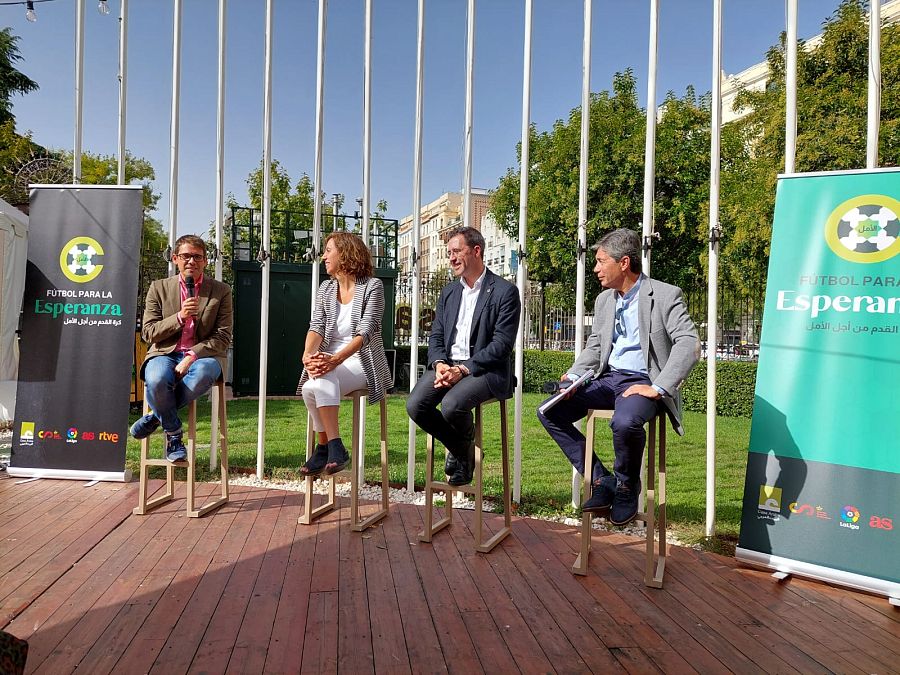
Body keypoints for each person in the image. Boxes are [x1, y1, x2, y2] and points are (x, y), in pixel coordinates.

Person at [538, 228, 699, 525]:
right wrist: (574, 376)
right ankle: (602, 480)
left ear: (624, 263)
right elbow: (596, 345)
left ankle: (627, 486)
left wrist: (659, 387)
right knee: (549, 410)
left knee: (624, 422)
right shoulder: (604, 300)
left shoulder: (665, 295)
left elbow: (689, 343)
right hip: (608, 377)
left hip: (643, 380)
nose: (596, 269)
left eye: (601, 261)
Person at [407, 225, 521, 486]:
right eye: (449, 253)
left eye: (457, 251)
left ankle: (461, 454)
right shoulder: (449, 292)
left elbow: (501, 345)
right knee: (415, 405)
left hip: (484, 370)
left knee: (451, 405)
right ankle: (462, 447)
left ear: (476, 251)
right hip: (448, 365)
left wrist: (464, 369)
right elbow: (436, 336)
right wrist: (438, 364)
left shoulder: (505, 292)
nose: (451, 258)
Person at [296, 232, 392, 477]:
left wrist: (334, 360)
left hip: (363, 360)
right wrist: (308, 355)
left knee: (318, 379)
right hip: (331, 359)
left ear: (346, 253)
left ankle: (327, 446)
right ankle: (330, 447)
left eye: (329, 250)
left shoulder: (373, 286)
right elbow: (316, 325)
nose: (324, 256)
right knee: (310, 387)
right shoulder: (326, 288)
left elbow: (366, 331)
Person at [131, 234, 233, 462]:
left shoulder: (221, 291)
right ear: (175, 259)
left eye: (197, 257)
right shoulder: (158, 288)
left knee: (203, 374)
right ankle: (174, 434)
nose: (192, 262)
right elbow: (148, 333)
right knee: (157, 379)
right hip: (164, 352)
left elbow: (223, 336)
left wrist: (193, 354)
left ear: (205, 261)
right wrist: (179, 316)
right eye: (186, 256)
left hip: (205, 355)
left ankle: (156, 416)